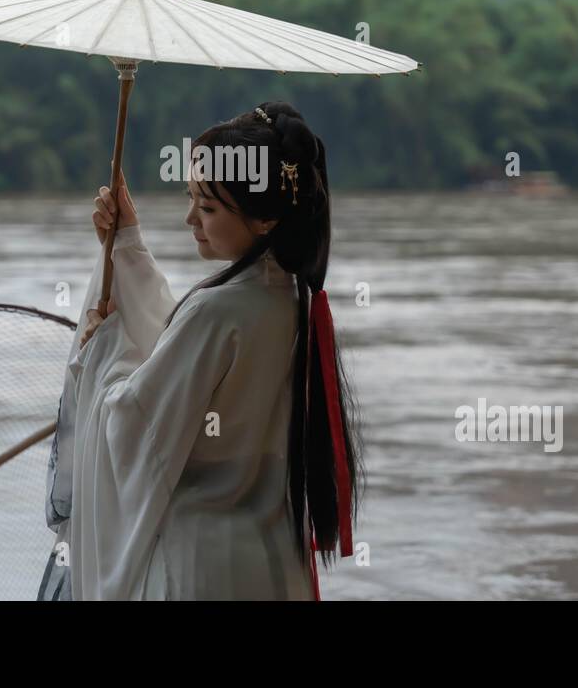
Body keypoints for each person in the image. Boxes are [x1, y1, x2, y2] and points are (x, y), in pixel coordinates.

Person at [37, 101, 364, 600]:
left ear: (266, 218)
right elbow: (180, 354)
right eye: (191, 198)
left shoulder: (217, 310)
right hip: (271, 559)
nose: (190, 218)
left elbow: (131, 426)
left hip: (198, 567)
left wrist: (103, 348)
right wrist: (127, 244)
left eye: (207, 208)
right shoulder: (291, 296)